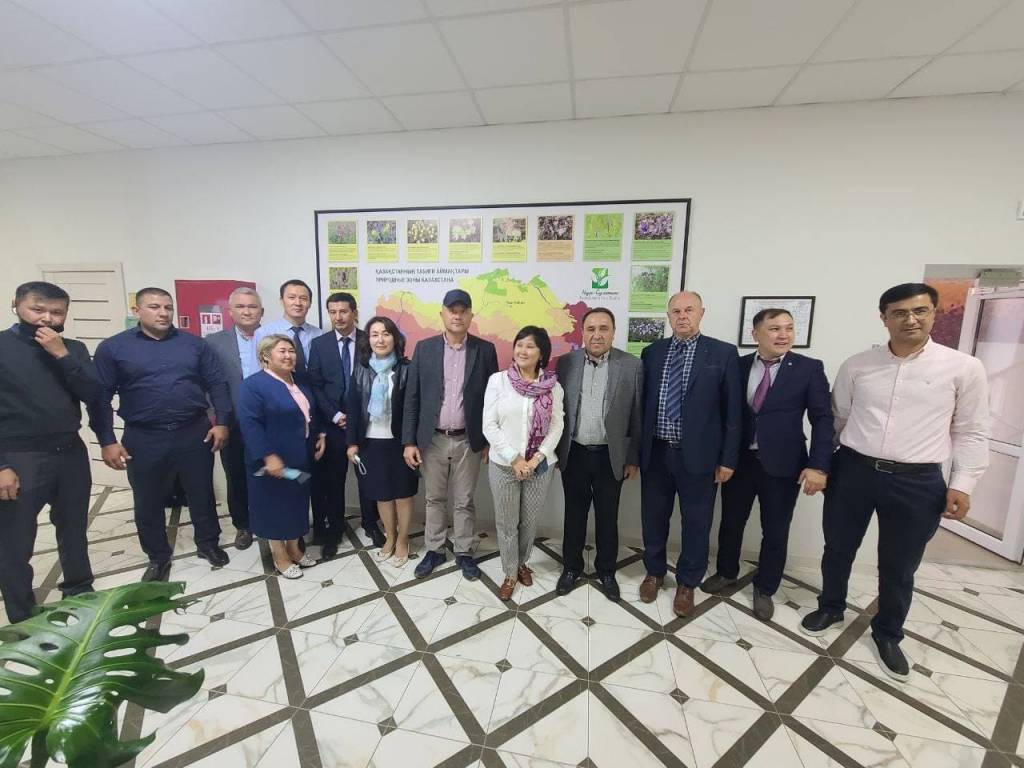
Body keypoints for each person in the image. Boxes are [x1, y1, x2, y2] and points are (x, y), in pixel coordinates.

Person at [800, 283, 989, 682]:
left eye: (920, 311)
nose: (911, 320)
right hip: (854, 470)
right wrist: (821, 466)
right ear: (884, 318)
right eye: (900, 313)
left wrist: (963, 483)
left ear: (934, 313)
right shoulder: (858, 365)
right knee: (838, 548)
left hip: (917, 480)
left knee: (900, 564)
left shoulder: (963, 368)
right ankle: (831, 606)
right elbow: (836, 420)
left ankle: (888, 632)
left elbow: (971, 430)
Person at [700, 308, 833, 620]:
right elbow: (725, 414)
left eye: (789, 328)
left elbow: (823, 419)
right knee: (731, 522)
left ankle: (765, 588)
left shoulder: (808, 368)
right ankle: (726, 572)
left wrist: (819, 465)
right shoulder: (738, 365)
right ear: (755, 334)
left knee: (775, 529)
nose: (783, 335)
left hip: (784, 464)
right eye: (774, 328)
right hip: (739, 461)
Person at [93, 287, 232, 582]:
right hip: (144, 436)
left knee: (201, 491)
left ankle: (208, 543)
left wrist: (221, 422)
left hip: (193, 430)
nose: (163, 313)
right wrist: (107, 440)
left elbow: (217, 384)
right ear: (137, 310)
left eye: (168, 307)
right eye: (154, 307)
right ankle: (157, 556)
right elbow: (100, 397)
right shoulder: (114, 348)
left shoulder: (194, 345)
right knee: (147, 498)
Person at [0, 281, 100, 623]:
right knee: (15, 539)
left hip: (70, 451)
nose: (46, 319)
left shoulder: (73, 348)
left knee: (73, 526)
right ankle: (22, 615)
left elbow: (92, 393)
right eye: (37, 309)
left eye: (56, 313)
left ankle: (80, 589)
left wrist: (62, 355)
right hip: (19, 456)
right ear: (16, 306)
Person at [638, 291, 742, 617]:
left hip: (699, 457)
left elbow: (733, 412)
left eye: (689, 310)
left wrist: (728, 459)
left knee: (696, 522)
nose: (682, 316)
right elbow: (643, 405)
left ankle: (687, 583)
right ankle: (654, 572)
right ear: (668, 316)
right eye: (676, 311)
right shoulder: (653, 352)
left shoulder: (722, 353)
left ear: (701, 313)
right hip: (657, 453)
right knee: (653, 517)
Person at [403, 289, 499, 581]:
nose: (457, 316)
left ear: (470, 315)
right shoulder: (425, 348)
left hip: (468, 440)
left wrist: (487, 441)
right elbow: (412, 397)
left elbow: (492, 399)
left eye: (463, 311)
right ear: (442, 314)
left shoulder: (485, 350)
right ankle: (434, 550)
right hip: (431, 439)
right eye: (452, 310)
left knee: (464, 500)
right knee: (433, 498)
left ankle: (464, 552)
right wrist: (409, 441)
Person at [554, 307, 642, 602]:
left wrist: (632, 458)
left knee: (608, 517)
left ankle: (607, 571)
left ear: (613, 332)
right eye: (591, 329)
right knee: (574, 515)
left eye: (604, 328)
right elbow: (557, 411)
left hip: (610, 456)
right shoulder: (566, 363)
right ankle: (571, 568)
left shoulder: (631, 366)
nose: (597, 335)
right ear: (582, 332)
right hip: (575, 453)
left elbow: (637, 416)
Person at [483, 326, 564, 600]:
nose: (522, 350)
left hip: (539, 467)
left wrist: (537, 457)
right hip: (504, 465)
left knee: (529, 522)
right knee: (507, 523)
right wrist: (515, 458)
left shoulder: (553, 387)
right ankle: (509, 572)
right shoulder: (498, 381)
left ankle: (522, 563)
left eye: (530, 346)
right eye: (519, 344)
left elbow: (557, 426)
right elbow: (489, 425)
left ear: (542, 353)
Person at [237, 335, 325, 578]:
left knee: (297, 503)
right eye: (282, 351)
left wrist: (320, 435)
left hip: (300, 456)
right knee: (274, 507)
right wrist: (268, 456)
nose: (288, 356)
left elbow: (309, 414)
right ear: (266, 356)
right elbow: (250, 425)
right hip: (272, 462)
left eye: (291, 351)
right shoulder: (254, 385)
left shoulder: (299, 382)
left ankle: (295, 549)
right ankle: (280, 555)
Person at [308, 292, 385, 558]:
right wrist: (334, 415)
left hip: (366, 424)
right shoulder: (319, 345)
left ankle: (371, 523)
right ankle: (335, 529)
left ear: (354, 312)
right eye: (333, 312)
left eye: (343, 311)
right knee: (333, 481)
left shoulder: (370, 339)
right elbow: (315, 385)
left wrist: (359, 416)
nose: (338, 317)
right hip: (333, 426)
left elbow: (380, 379)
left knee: (368, 478)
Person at [346, 316, 417, 567]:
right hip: (370, 442)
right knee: (382, 495)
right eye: (374, 334)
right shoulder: (361, 369)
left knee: (403, 494)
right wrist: (351, 443)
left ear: (395, 338)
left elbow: (413, 408)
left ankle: (403, 540)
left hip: (400, 443)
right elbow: (353, 408)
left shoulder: (408, 368)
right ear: (368, 340)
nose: (380, 339)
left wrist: (411, 442)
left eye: (386, 333)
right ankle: (391, 537)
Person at [205, 286, 264, 550]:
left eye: (252, 306)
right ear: (230, 312)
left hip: (268, 421)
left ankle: (267, 520)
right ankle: (243, 525)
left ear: (261, 311)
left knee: (270, 473)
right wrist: (216, 419)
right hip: (232, 421)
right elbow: (207, 384)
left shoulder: (274, 338)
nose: (247, 311)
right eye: (240, 306)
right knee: (236, 475)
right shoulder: (214, 342)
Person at [255, 279, 323, 385]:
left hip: (313, 390)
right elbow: (256, 372)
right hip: (276, 390)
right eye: (292, 297)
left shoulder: (319, 334)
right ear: (282, 301)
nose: (298, 303)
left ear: (310, 303)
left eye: (303, 298)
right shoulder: (264, 333)